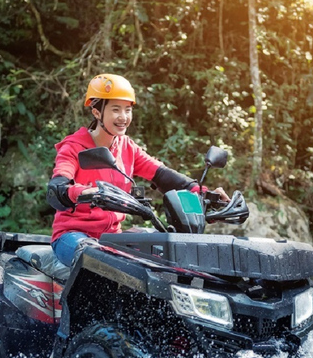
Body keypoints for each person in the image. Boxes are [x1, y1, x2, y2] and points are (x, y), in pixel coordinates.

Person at [46, 73, 227, 266]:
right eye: (116, 110)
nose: (123, 117)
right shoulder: (73, 147)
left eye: (127, 110)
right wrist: (81, 192)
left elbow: (163, 175)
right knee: (99, 262)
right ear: (97, 112)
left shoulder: (127, 147)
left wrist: (205, 194)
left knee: (163, 259)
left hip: (111, 238)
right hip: (72, 236)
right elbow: (58, 186)